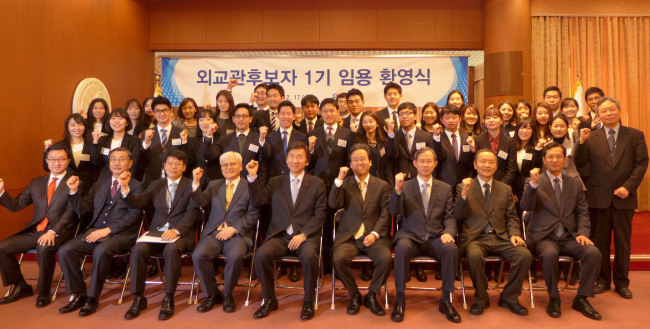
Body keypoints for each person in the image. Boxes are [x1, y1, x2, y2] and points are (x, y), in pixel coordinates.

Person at [575, 97, 648, 299]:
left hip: (624, 197)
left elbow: (641, 164)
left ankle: (622, 282)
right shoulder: (591, 136)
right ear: (597, 114)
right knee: (601, 242)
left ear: (619, 110)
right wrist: (580, 142)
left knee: (623, 243)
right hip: (598, 198)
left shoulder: (634, 135)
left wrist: (629, 187)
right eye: (603, 111)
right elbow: (581, 165)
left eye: (611, 109)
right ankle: (604, 280)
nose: (608, 113)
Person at [520, 142, 602, 320]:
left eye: (559, 156)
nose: (555, 160)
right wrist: (533, 185)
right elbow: (526, 206)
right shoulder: (533, 181)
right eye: (550, 157)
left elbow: (582, 211)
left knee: (593, 253)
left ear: (565, 159)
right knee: (549, 254)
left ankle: (582, 298)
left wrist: (582, 233)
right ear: (543, 159)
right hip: (543, 237)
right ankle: (554, 297)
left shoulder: (574, 183)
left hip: (569, 236)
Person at [56, 147, 142, 316]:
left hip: (121, 234)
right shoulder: (99, 185)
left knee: (101, 250)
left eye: (122, 159)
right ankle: (79, 293)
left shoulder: (137, 185)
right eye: (113, 159)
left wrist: (107, 230)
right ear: (108, 163)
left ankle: (92, 297)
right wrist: (74, 192)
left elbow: (135, 215)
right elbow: (84, 209)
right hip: (95, 232)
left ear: (130, 163)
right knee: (66, 250)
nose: (117, 163)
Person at [248, 142, 327, 320]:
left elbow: (320, 213)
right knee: (261, 255)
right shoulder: (276, 181)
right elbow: (258, 200)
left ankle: (308, 301)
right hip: (280, 235)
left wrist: (304, 234)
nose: (295, 160)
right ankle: (269, 299)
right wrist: (253, 178)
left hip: (305, 236)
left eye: (300, 156)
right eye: (291, 156)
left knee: (308, 257)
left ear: (307, 161)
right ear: (286, 159)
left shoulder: (317, 183)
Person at [119, 149, 198, 320]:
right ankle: (139, 297)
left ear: (184, 167)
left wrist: (176, 230)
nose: (173, 167)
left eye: (177, 163)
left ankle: (168, 297)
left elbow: (193, 213)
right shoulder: (155, 184)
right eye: (169, 163)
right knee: (138, 249)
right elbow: (138, 203)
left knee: (171, 250)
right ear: (164, 166)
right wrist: (125, 187)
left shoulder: (190, 184)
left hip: (180, 233)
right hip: (157, 233)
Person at [454, 149, 532, 316]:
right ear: (475, 165)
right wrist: (463, 196)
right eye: (482, 161)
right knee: (474, 255)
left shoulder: (504, 189)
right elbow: (458, 216)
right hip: (476, 238)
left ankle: (509, 297)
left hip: (501, 237)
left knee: (524, 255)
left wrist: (515, 234)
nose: (486, 165)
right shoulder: (463, 186)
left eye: (491, 162)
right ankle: (481, 298)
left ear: (496, 166)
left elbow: (512, 217)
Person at [389, 147, 461, 323]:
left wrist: (449, 232)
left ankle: (446, 299)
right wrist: (397, 191)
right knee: (402, 248)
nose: (425, 164)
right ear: (414, 163)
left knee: (451, 249)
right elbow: (394, 211)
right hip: (410, 235)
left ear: (435, 164)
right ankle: (400, 298)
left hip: (435, 237)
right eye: (421, 161)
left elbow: (449, 216)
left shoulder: (444, 188)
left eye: (429, 161)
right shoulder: (404, 186)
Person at [0, 143, 77, 307]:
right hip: (36, 231)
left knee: (44, 247)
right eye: (52, 159)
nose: (57, 163)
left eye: (61, 159)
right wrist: (1, 192)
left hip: (61, 232)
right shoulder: (36, 183)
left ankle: (44, 291)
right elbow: (16, 205)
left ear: (68, 160)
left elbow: (70, 213)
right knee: (2, 247)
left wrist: (53, 232)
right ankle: (20, 285)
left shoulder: (74, 182)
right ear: (46, 161)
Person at [190, 152, 259, 313]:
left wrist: (234, 228)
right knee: (198, 255)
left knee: (235, 256)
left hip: (237, 234)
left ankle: (227, 294)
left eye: (232, 164)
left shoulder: (250, 185)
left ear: (241, 167)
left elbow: (254, 214)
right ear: (221, 168)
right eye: (225, 165)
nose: (229, 167)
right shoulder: (214, 184)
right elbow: (198, 203)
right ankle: (212, 294)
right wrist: (196, 182)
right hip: (214, 233)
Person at [329, 144, 392, 317]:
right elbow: (334, 204)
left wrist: (375, 234)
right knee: (338, 258)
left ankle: (372, 295)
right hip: (349, 237)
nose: (359, 162)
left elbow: (385, 214)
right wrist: (339, 179)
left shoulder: (382, 185)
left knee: (386, 258)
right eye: (355, 160)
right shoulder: (345, 184)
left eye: (363, 158)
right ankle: (354, 294)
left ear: (370, 162)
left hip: (374, 236)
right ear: (350, 164)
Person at [204, 103, 266, 180]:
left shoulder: (258, 138)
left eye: (244, 116)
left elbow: (265, 159)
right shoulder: (224, 139)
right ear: (233, 119)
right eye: (238, 116)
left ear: (250, 119)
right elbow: (209, 155)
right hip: (229, 183)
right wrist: (208, 136)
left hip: (251, 183)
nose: (241, 119)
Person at [137, 96, 188, 188]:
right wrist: (146, 143)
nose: (162, 113)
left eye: (165, 110)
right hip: (151, 181)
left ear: (171, 111)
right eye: (158, 111)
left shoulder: (181, 133)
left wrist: (184, 142)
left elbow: (186, 157)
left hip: (175, 180)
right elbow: (140, 159)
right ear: (153, 113)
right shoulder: (146, 133)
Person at [43, 114, 96, 194]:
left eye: (80, 124)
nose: (77, 128)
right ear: (67, 127)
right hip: (65, 186)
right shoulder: (61, 145)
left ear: (85, 126)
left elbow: (97, 164)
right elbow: (47, 168)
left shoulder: (92, 144)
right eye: (73, 125)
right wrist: (47, 149)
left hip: (88, 187)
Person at [432, 105, 476, 195]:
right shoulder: (437, 138)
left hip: (464, 183)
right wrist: (436, 137)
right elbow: (438, 157)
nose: (451, 120)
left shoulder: (467, 138)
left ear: (460, 118)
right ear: (441, 120)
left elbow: (472, 162)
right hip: (444, 183)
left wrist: (473, 149)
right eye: (447, 118)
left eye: (454, 117)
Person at [91, 108, 140, 181]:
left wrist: (127, 179)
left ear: (127, 122)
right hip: (104, 180)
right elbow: (96, 161)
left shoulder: (134, 141)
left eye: (120, 118)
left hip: (125, 180)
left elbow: (134, 164)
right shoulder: (103, 140)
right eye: (113, 118)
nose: (116, 121)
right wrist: (95, 142)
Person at [390, 102, 434, 180]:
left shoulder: (426, 136)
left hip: (421, 178)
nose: (404, 116)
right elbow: (392, 155)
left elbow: (432, 159)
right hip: (401, 179)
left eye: (408, 113)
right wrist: (390, 133)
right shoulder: (394, 136)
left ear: (415, 116)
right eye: (401, 114)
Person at [474, 107, 517, 185]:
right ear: (483, 121)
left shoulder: (509, 141)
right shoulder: (478, 140)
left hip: (504, 185)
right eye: (488, 118)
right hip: (483, 183)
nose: (491, 120)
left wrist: (502, 186)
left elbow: (512, 168)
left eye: (495, 117)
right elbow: (477, 165)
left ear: (501, 121)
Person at [356, 111, 395, 186]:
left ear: (377, 124)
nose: (368, 124)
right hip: (364, 181)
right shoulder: (358, 142)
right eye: (365, 122)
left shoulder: (383, 141)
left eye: (371, 121)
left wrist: (390, 130)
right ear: (361, 124)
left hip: (382, 181)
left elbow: (392, 155)